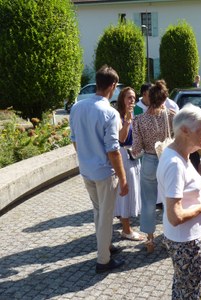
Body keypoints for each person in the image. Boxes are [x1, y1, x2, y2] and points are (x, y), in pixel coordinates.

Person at [157, 104, 201, 299]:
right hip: (186, 241)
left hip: (187, 239)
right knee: (191, 292)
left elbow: (183, 196)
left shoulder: (180, 155)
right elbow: (175, 216)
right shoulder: (175, 164)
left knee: (185, 288)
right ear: (184, 130)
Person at [69, 65, 128, 273]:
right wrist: (123, 179)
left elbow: (74, 140)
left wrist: (86, 157)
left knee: (98, 212)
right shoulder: (110, 112)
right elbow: (113, 150)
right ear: (112, 85)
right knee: (105, 215)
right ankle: (103, 260)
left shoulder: (77, 107)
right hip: (103, 172)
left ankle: (106, 246)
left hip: (86, 170)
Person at [132, 79, 176, 253]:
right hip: (167, 159)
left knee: (148, 202)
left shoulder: (139, 120)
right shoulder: (171, 116)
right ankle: (169, 236)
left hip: (150, 160)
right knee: (168, 200)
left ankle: (149, 239)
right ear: (164, 99)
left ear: (148, 98)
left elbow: (136, 149)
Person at [113, 87, 144, 241]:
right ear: (122, 99)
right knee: (126, 194)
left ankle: (124, 222)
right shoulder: (119, 117)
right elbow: (122, 139)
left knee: (129, 192)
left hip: (133, 157)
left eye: (133, 97)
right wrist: (127, 122)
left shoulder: (133, 115)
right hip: (124, 158)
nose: (132, 100)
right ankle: (126, 229)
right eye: (129, 97)